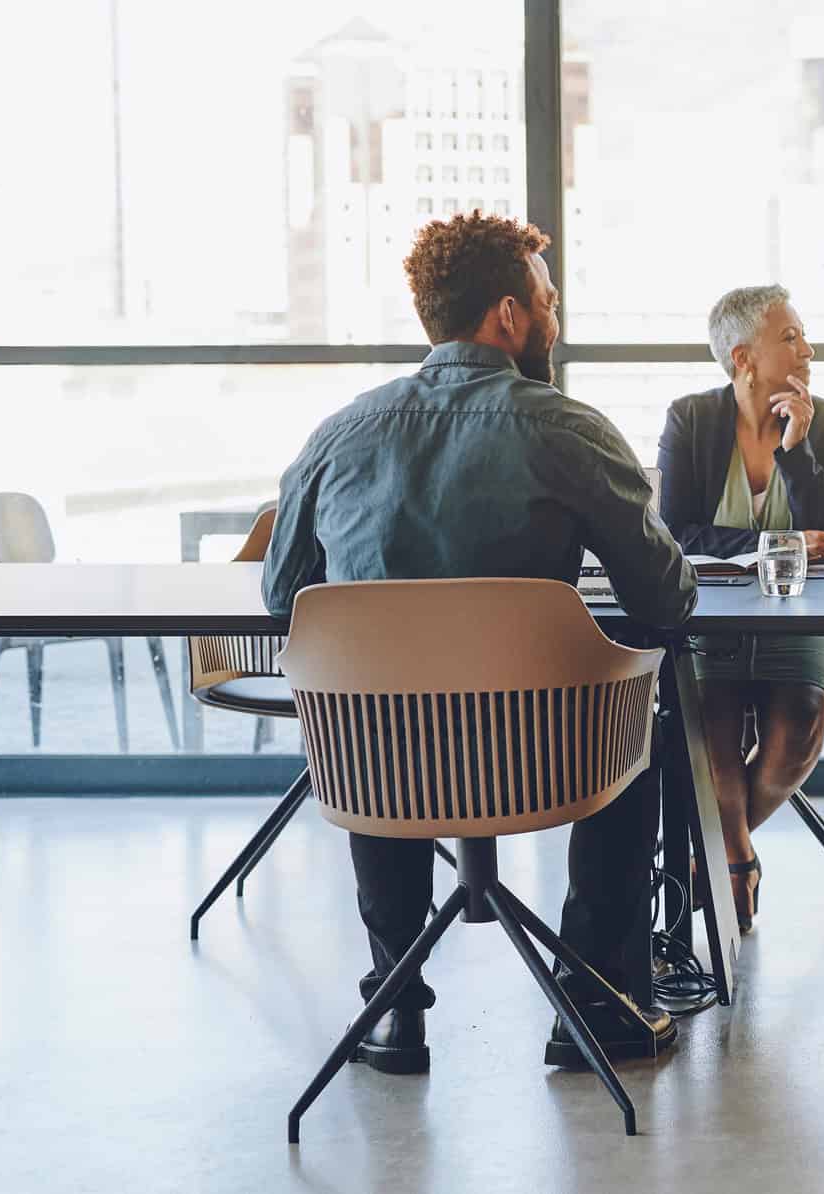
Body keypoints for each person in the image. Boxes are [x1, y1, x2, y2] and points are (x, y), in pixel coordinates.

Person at [263, 211, 695, 1075]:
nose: (555, 320)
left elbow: (284, 597)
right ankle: (597, 1004)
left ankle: (392, 1006)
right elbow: (665, 597)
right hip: (545, 763)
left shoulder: (339, 435)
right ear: (508, 315)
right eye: (548, 301)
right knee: (637, 713)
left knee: (375, 702)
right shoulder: (566, 428)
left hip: (378, 768)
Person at [656, 285, 824, 933]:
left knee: (796, 723)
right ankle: (736, 858)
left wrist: (797, 450)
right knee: (709, 726)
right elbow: (675, 533)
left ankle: (703, 853)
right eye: (791, 337)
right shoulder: (690, 420)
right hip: (708, 621)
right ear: (743, 357)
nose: (809, 348)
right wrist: (779, 543)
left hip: (805, 622)